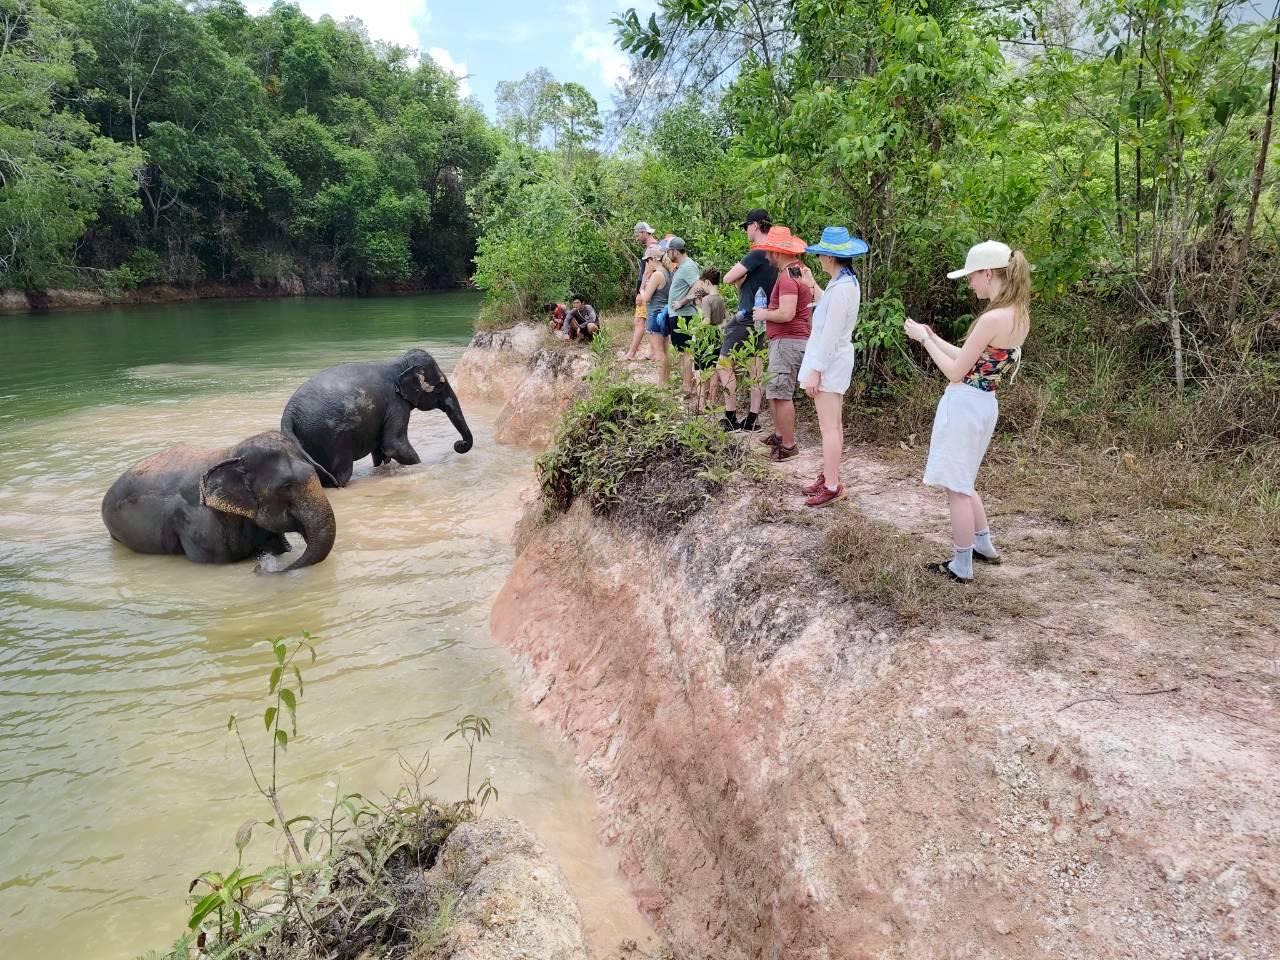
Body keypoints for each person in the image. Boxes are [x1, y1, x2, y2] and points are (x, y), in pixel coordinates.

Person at [904, 240, 1032, 583]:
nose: (970, 283)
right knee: (966, 480)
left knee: (956, 487)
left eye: (972, 276)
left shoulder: (991, 317)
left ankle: (961, 565)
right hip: (985, 402)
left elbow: (955, 371)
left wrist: (923, 339)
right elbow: (970, 357)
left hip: (964, 404)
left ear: (988, 273)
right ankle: (983, 543)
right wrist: (931, 336)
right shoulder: (1017, 314)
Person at [797, 227, 869, 507]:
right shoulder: (845, 282)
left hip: (830, 361)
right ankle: (830, 475)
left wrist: (816, 369)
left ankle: (831, 484)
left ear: (829, 257)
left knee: (829, 427)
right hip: (835, 359)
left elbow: (830, 333)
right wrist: (812, 283)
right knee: (833, 425)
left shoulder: (842, 289)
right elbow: (829, 303)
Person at [751, 226, 813, 462]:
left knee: (781, 393)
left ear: (777, 252)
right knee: (775, 390)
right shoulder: (798, 272)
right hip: (791, 340)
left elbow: (787, 313)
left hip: (787, 342)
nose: (767, 257)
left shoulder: (788, 277)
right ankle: (780, 435)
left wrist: (763, 314)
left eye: (769, 251)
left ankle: (788, 445)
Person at [719, 209, 775, 431]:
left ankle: (730, 415)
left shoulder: (756, 253)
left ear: (754, 226)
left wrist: (740, 275)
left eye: (746, 227)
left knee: (723, 364)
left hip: (745, 317)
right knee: (756, 369)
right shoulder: (772, 254)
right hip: (761, 318)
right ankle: (752, 419)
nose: (746, 232)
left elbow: (728, 278)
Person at [665, 237, 702, 396]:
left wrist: (682, 302)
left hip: (685, 316)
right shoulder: (681, 266)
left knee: (687, 352)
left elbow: (699, 286)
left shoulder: (688, 266)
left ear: (675, 251)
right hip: (678, 316)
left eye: (668, 251)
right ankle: (686, 385)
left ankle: (687, 387)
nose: (667, 254)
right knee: (682, 351)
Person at [692, 268, 726, 410]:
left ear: (707, 282)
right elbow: (723, 321)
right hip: (717, 336)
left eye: (703, 284)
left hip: (705, 337)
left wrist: (694, 331)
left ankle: (700, 405)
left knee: (700, 372)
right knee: (713, 371)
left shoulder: (706, 299)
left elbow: (706, 320)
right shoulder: (721, 299)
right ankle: (711, 402)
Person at [638, 241, 671, 379]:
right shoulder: (668, 272)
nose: (647, 263)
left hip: (656, 314)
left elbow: (645, 298)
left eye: (648, 260)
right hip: (666, 314)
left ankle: (662, 383)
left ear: (653, 259)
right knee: (665, 350)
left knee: (659, 352)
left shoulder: (657, 274)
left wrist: (641, 288)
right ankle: (666, 380)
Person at [628, 221, 657, 359]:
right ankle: (653, 352)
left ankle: (632, 352)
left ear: (644, 232)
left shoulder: (652, 248)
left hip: (648, 290)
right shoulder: (655, 247)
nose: (637, 238)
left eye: (637, 235)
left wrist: (640, 291)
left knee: (639, 320)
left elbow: (647, 272)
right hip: (652, 289)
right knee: (650, 320)